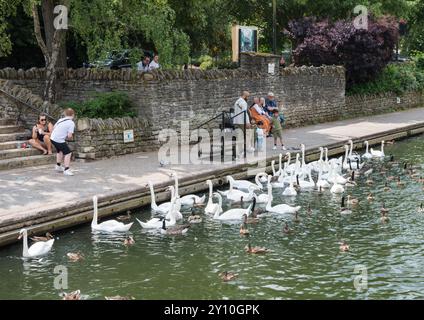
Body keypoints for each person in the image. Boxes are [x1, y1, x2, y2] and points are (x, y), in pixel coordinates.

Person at [51, 108, 76, 176]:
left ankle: (58, 166)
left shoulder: (60, 120)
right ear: (73, 115)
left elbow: (53, 128)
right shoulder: (71, 123)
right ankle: (66, 170)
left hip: (52, 138)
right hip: (59, 140)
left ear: (65, 114)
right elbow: (69, 135)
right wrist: (67, 136)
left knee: (60, 151)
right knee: (68, 153)